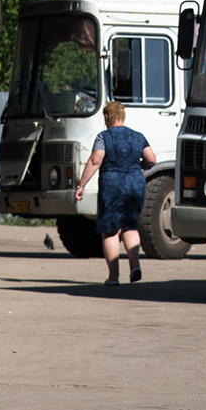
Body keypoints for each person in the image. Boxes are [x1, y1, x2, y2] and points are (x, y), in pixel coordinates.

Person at [74, 100, 157, 285]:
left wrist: (81, 185)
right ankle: (135, 266)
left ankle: (113, 277)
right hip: (135, 184)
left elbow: (96, 161)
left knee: (110, 230)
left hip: (113, 185)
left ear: (106, 117)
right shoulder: (138, 136)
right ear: (123, 117)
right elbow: (152, 160)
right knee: (130, 226)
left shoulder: (104, 136)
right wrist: (138, 166)